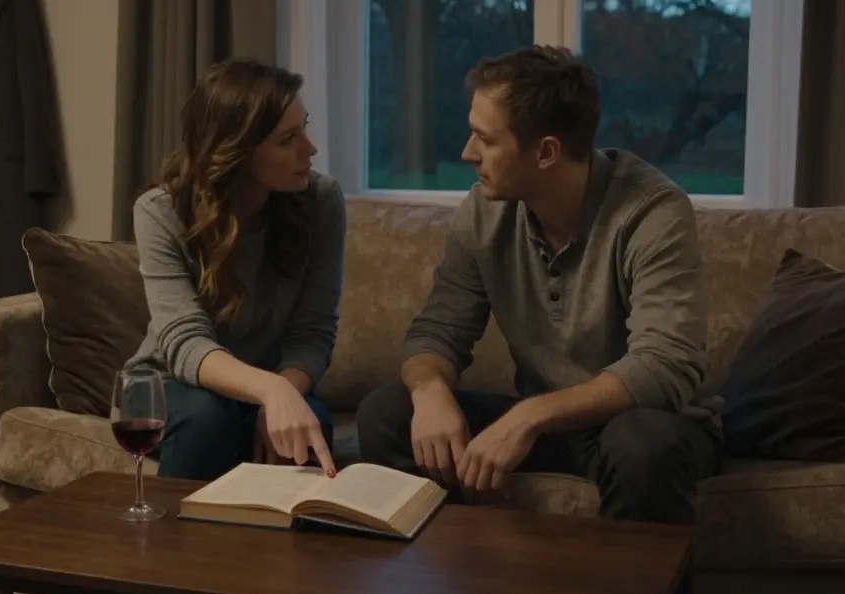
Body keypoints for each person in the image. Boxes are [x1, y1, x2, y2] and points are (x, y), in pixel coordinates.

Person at [355, 45, 722, 525]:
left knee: (641, 444)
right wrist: (430, 394)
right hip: (545, 425)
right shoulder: (484, 211)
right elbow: (437, 332)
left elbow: (664, 365)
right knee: (387, 411)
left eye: (484, 140)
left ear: (546, 151)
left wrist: (529, 417)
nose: (467, 153)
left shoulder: (651, 212)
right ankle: (447, 585)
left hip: (640, 423)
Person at [123, 57, 345, 484]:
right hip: (166, 383)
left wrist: (277, 394)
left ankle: (278, 551)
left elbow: (313, 332)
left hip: (264, 384)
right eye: (288, 139)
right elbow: (185, 342)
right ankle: (174, 549)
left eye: (305, 127)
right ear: (237, 153)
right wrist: (270, 389)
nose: (310, 149)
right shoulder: (161, 212)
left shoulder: (321, 201)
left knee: (310, 423)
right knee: (208, 418)